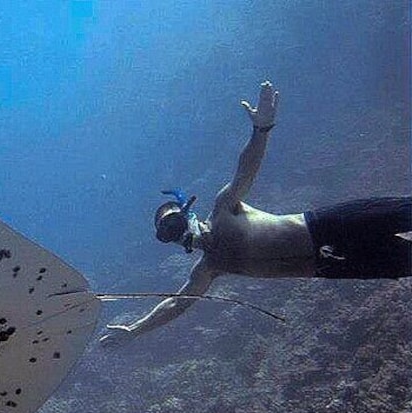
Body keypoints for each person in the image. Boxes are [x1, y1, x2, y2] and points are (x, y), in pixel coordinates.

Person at [102, 80, 411, 343]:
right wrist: (133, 330)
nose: (179, 234)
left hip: (328, 226)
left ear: (190, 214)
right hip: (332, 265)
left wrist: (261, 129)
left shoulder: (224, 210)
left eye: (176, 223)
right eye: (169, 234)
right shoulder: (210, 267)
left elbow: (245, 171)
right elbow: (176, 305)